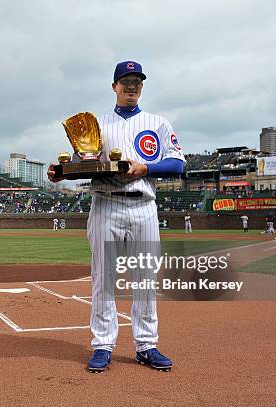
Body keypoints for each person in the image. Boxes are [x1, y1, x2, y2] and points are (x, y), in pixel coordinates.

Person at [48, 60, 184, 373]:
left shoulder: (158, 123)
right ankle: (102, 345)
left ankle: (146, 345)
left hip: (143, 205)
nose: (132, 86)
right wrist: (61, 173)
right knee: (104, 279)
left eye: (137, 81)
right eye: (126, 81)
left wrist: (146, 167)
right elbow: (86, 162)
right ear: (114, 87)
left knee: (145, 280)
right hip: (106, 204)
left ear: (142, 86)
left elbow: (177, 164)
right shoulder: (99, 125)